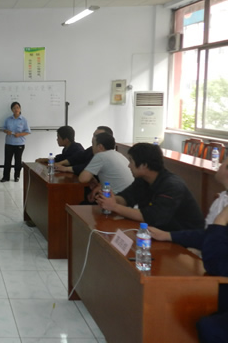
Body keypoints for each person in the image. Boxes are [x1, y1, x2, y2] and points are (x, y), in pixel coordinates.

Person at [149, 159, 228, 342]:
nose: (218, 166)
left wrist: (222, 219)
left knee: (205, 322)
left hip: (222, 277)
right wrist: (169, 236)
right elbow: (210, 236)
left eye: (223, 163)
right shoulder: (222, 198)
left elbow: (216, 264)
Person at [96, 142, 204, 231]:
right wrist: (109, 200)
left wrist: (114, 206)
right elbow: (127, 197)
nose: (129, 166)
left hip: (185, 237)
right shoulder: (143, 179)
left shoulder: (172, 186)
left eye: (131, 161)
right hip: (158, 232)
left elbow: (152, 217)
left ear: (144, 165)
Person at [1, 101, 30, 182]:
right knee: (7, 161)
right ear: (12, 110)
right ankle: (5, 177)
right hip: (9, 143)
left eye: (17, 107)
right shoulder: (8, 119)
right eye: (14, 108)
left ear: (20, 109)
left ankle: (17, 176)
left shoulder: (24, 120)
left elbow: (28, 131)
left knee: (18, 161)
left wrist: (19, 134)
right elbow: (4, 129)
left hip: (19, 143)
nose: (16, 109)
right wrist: (7, 131)